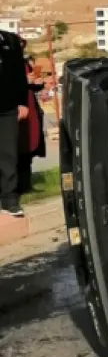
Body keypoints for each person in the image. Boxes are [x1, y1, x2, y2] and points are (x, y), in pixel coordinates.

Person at [0, 30, 29, 217]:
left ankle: (9, 199)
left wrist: (22, 102)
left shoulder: (9, 40)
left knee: (8, 154)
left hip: (8, 106)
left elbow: (19, 72)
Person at [18, 44, 45, 198]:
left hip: (30, 111)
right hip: (13, 111)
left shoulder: (25, 63)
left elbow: (33, 87)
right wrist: (23, 79)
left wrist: (38, 82)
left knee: (27, 149)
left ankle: (26, 185)